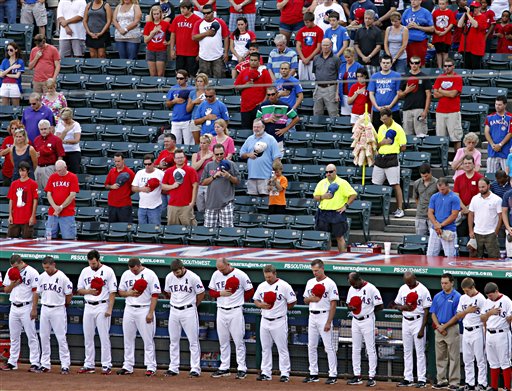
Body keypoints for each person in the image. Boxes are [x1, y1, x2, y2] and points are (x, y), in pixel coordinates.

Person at [208, 257, 254, 379]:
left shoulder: (240, 274)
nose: (221, 271)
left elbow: (250, 291)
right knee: (223, 341)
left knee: (238, 341)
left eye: (222, 269)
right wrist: (220, 293)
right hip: (221, 310)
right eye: (219, 269)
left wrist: (239, 299)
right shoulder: (216, 274)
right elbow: (211, 292)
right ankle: (224, 367)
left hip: (235, 310)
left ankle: (241, 368)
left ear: (228, 264)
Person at [439, 278, 487, 391]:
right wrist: (467, 311)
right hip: (466, 331)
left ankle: (482, 384)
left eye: (467, 290)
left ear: (472, 287)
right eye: (464, 290)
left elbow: (485, 317)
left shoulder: (481, 299)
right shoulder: (463, 298)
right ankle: (469, 383)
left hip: (477, 330)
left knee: (480, 359)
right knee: (467, 359)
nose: (465, 292)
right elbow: (458, 315)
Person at [117, 258, 161, 377]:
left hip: (144, 308)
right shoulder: (126, 274)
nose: (134, 272)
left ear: (139, 265)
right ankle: (128, 366)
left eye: (135, 270)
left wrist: (150, 312)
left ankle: (151, 366)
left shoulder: (150, 274)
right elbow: (120, 291)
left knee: (148, 339)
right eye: (131, 270)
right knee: (128, 338)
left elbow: (155, 294)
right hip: (129, 308)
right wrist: (128, 293)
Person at [76, 250, 117, 375]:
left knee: (104, 336)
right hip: (88, 305)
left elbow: (112, 291)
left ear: (98, 260)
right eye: (90, 263)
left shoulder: (108, 271)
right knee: (88, 337)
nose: (92, 265)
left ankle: (106, 364)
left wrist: (110, 309)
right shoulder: (85, 271)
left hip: (102, 305)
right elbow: (79, 289)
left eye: (94, 263)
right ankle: (89, 364)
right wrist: (88, 291)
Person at [253, 264, 296, 382]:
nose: (268, 279)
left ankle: (285, 373)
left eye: (270, 277)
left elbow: (292, 301)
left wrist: (283, 308)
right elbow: (255, 300)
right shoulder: (262, 286)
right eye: (266, 277)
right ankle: (266, 372)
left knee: (282, 348)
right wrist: (260, 305)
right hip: (265, 320)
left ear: (274, 274)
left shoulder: (284, 285)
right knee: (265, 348)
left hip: (279, 320)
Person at [164, 259, 205, 377]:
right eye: (174, 272)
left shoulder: (193, 277)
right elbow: (168, 292)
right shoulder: (169, 277)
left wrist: (194, 305)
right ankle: (173, 367)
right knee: (173, 340)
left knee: (193, 341)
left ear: (183, 268)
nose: (175, 274)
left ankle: (195, 368)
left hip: (188, 310)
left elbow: (201, 293)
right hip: (174, 310)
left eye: (177, 271)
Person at [0, 255, 41, 372]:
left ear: (21, 262)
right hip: (14, 306)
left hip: (26, 307)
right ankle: (12, 362)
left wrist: (34, 309)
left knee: (31, 335)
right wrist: (14, 283)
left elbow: (35, 292)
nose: (15, 269)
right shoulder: (10, 271)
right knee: (14, 336)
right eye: (13, 267)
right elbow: (6, 290)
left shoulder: (32, 272)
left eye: (16, 266)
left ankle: (35, 362)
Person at [302, 259, 339, 385]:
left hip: (324, 315)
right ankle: (313, 373)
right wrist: (312, 298)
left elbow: (334, 304)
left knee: (329, 347)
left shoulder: (330, 283)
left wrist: (329, 322)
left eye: (317, 270)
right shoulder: (310, 282)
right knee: (311, 346)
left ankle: (333, 374)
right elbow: (305, 300)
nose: (315, 273)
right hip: (312, 315)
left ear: (322, 269)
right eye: (313, 271)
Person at [393, 272, 432, 388]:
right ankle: (408, 378)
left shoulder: (423, 290)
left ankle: (421, 379)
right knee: (407, 351)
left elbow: (426, 311)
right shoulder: (403, 288)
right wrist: (403, 307)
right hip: (405, 320)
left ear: (415, 278)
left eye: (410, 282)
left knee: (420, 352)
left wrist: (422, 328)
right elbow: (396, 305)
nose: (409, 285)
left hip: (418, 320)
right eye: (407, 283)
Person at [346, 272, 383, 387]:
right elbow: (348, 303)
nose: (353, 286)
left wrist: (368, 311)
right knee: (355, 348)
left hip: (367, 320)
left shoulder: (371, 288)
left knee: (370, 348)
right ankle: (357, 375)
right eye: (351, 284)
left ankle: (372, 377)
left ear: (358, 280)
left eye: (354, 284)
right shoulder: (351, 289)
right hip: (355, 320)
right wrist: (351, 307)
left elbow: (380, 305)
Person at [37, 256, 73, 374]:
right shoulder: (41, 277)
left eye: (48, 267)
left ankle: (65, 365)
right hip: (45, 308)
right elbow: (38, 293)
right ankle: (45, 364)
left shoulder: (63, 277)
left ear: (53, 264)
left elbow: (69, 294)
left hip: (58, 308)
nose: (46, 269)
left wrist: (64, 305)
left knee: (61, 337)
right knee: (44, 336)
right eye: (44, 267)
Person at [313, 164, 357, 252]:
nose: (328, 174)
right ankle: (326, 256)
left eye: (330, 172)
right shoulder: (322, 183)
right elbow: (315, 197)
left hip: (337, 213)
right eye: (326, 172)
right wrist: (323, 196)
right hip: (323, 212)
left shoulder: (342, 183)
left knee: (339, 236)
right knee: (326, 236)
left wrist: (346, 206)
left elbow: (353, 194)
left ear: (335, 171)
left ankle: (342, 257)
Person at [372, 108, 407, 218]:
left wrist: (392, 147)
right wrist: (382, 143)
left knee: (395, 184)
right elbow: (377, 145)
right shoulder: (381, 127)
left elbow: (403, 147)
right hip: (380, 158)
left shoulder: (398, 128)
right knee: (375, 184)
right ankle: (377, 208)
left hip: (392, 158)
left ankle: (400, 209)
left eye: (386, 119)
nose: (384, 121)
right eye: (382, 119)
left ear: (391, 117)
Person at [430, 273, 462, 390]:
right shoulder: (437, 296)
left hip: (452, 328)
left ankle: (454, 382)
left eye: (446, 283)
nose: (443, 285)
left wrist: (445, 327)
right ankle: (441, 380)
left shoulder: (458, 296)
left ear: (452, 283)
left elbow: (457, 316)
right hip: (439, 328)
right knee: (440, 356)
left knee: (454, 356)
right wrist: (439, 326)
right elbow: (433, 313)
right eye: (442, 283)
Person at [480, 282, 512, 391]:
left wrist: (510, 318)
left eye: (491, 295)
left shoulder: (507, 300)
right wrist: (490, 312)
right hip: (490, 333)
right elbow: (482, 318)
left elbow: (510, 316)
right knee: (493, 362)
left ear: (496, 291)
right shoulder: (487, 302)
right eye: (488, 296)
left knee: (505, 362)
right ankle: (494, 387)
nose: (489, 297)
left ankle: (507, 387)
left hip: (502, 333)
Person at [200, 144, 240, 227]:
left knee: (227, 231)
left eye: (221, 154)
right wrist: (213, 176)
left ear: (224, 153)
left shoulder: (231, 164)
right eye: (217, 154)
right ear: (213, 154)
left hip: (226, 202)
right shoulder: (209, 165)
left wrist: (229, 176)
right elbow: (203, 182)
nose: (219, 156)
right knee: (209, 230)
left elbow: (238, 181)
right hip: (211, 203)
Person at [240, 118, 283, 196]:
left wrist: (274, 176)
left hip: (266, 177)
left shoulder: (271, 139)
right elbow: (241, 154)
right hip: (251, 176)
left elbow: (277, 158)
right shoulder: (249, 139)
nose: (256, 129)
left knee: (265, 200)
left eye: (258, 127)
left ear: (263, 127)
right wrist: (248, 154)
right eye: (254, 127)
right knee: (252, 201)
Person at [234, 52, 272, 129]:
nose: (253, 62)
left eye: (255, 60)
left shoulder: (264, 72)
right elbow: (236, 87)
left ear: (259, 61)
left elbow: (269, 89)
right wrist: (245, 85)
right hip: (245, 106)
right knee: (245, 129)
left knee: (259, 128)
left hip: (258, 106)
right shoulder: (243, 72)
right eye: (251, 60)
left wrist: (263, 103)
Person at [162, 149, 198, 226]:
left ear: (184, 158)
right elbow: (163, 186)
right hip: (172, 205)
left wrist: (192, 202)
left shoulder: (191, 170)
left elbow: (195, 186)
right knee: (172, 230)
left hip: (186, 205)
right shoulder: (169, 171)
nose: (180, 159)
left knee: (189, 228)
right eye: (177, 158)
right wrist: (172, 186)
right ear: (174, 159)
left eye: (181, 157)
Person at [433, 58, 464, 151]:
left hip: (453, 111)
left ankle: (457, 159)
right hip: (440, 111)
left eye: (449, 66)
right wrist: (448, 93)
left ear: (453, 66)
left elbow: (453, 94)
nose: (447, 68)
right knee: (440, 138)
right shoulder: (440, 77)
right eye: (445, 66)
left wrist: (441, 91)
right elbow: (435, 94)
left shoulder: (457, 78)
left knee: (456, 137)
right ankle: (442, 161)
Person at [192, 4, 230, 78]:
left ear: (213, 12)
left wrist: (225, 53)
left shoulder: (220, 22)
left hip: (218, 55)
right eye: (204, 13)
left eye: (208, 13)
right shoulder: (199, 23)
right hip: (203, 56)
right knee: (205, 80)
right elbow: (194, 37)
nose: (206, 15)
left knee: (219, 78)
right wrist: (206, 33)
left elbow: (226, 37)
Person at [397, 55, 431, 137]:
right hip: (407, 109)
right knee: (407, 136)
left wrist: (425, 111)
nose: (414, 65)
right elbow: (399, 94)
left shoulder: (424, 77)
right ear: (410, 64)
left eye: (416, 63)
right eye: (412, 63)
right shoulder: (405, 77)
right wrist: (406, 91)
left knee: (421, 135)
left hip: (419, 109)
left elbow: (428, 95)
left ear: (420, 64)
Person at [468, 177, 502, 258]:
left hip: (491, 233)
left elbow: (500, 217)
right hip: (477, 233)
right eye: (479, 187)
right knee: (475, 259)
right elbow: (471, 214)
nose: (481, 189)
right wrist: (471, 230)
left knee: (494, 259)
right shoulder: (475, 198)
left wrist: (496, 232)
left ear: (488, 186)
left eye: (483, 187)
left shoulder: (497, 199)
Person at [45, 160, 79, 240]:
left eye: (60, 170)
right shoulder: (53, 177)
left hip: (67, 213)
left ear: (65, 167)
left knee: (69, 238)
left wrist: (61, 207)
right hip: (53, 213)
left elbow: (72, 195)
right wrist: (55, 207)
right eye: (56, 170)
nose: (58, 172)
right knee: (49, 238)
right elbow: (48, 194)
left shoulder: (73, 177)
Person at [426, 178, 461, 257]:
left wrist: (440, 225)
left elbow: (454, 215)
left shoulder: (454, 197)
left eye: (443, 189)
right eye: (439, 189)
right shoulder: (434, 197)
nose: (441, 191)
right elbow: (430, 212)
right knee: (430, 254)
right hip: (435, 229)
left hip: (448, 229)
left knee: (450, 255)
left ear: (448, 186)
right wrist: (435, 224)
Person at [368, 55, 401, 129]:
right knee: (378, 132)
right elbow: (371, 94)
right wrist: (376, 106)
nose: (385, 64)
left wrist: (390, 106)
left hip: (393, 110)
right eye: (383, 62)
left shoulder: (397, 76)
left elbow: (398, 93)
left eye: (387, 63)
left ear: (391, 64)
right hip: (377, 111)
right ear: (380, 63)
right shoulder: (374, 76)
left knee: (394, 132)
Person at [454, 155, 483, 238]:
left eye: (469, 163)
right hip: (463, 213)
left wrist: (469, 209)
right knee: (461, 236)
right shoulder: (458, 178)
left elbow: (480, 195)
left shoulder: (480, 178)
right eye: (465, 163)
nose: (467, 165)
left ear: (474, 164)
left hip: (476, 213)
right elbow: (456, 196)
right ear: (462, 165)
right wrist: (464, 208)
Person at [7, 162, 38, 239]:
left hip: (27, 218)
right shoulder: (14, 184)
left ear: (28, 171)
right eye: (20, 171)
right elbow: (11, 200)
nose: (22, 173)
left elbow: (35, 200)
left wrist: (33, 216)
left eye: (23, 170)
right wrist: (10, 215)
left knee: (27, 241)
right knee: (11, 240)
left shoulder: (33, 184)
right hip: (15, 217)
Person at [170, 0, 201, 76]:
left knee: (191, 74)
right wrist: (172, 49)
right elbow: (173, 35)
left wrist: (199, 53)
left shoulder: (197, 20)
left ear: (190, 9)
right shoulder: (177, 19)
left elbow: (200, 38)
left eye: (184, 8)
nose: (182, 10)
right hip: (180, 52)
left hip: (192, 53)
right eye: (181, 8)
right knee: (180, 74)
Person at [132, 154, 165, 224]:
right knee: (142, 229)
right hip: (142, 206)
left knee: (155, 229)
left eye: (149, 164)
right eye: (145, 164)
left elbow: (166, 186)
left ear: (153, 163)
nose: (147, 166)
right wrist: (142, 189)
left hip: (155, 207)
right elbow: (133, 188)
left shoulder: (160, 173)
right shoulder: (139, 173)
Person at [312, 39, 341, 117]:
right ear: (321, 46)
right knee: (317, 112)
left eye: (327, 45)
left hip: (331, 88)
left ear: (331, 46)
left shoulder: (336, 59)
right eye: (323, 45)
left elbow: (339, 77)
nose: (325, 47)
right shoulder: (316, 58)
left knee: (333, 112)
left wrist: (337, 93)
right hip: (318, 88)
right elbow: (315, 72)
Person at [104, 153, 136, 223]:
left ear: (123, 160)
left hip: (124, 205)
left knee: (125, 226)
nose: (117, 163)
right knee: (112, 226)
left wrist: (126, 194)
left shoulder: (130, 172)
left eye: (118, 161)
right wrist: (111, 186)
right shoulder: (112, 171)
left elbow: (134, 187)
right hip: (112, 204)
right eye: (115, 161)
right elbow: (106, 185)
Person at [34, 119, 66, 189]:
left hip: (50, 168)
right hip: (38, 168)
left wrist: (58, 169)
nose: (43, 131)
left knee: (49, 190)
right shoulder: (36, 140)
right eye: (41, 129)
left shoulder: (56, 140)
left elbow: (60, 156)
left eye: (45, 129)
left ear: (49, 128)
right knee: (38, 191)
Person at [484, 95, 512, 174]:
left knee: (508, 175)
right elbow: (486, 132)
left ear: (505, 105)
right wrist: (493, 144)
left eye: (500, 105)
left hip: (506, 151)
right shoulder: (490, 117)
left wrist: (500, 144)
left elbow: (510, 133)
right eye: (496, 104)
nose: (497, 106)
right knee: (490, 175)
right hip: (492, 151)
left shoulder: (510, 117)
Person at [401, 0, 434, 65]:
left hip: (420, 42)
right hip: (407, 42)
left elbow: (432, 29)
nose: (413, 2)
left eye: (415, 0)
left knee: (420, 63)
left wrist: (417, 27)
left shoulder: (425, 12)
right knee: (408, 63)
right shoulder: (406, 12)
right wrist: (407, 27)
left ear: (420, 1)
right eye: (412, 0)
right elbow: (401, 28)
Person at [166, 70, 194, 145]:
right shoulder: (173, 88)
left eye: (181, 78)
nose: (179, 80)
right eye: (177, 78)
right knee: (174, 144)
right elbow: (167, 104)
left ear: (186, 78)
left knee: (189, 144)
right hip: (175, 120)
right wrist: (174, 101)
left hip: (187, 120)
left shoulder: (192, 89)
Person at [458, 2, 488, 69]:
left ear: (480, 8)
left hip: (476, 47)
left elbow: (476, 25)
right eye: (473, 7)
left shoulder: (483, 17)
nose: (474, 9)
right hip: (466, 46)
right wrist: (465, 13)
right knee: (466, 67)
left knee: (475, 68)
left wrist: (468, 15)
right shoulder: (469, 15)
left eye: (476, 7)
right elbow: (459, 25)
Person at [144, 5, 171, 76]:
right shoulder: (148, 24)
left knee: (160, 74)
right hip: (150, 50)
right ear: (152, 15)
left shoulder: (166, 24)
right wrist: (153, 32)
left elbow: (174, 34)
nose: (156, 16)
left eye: (157, 14)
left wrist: (169, 42)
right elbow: (145, 40)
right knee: (152, 74)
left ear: (161, 14)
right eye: (154, 14)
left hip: (161, 50)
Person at [295, 12, 324, 81]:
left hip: (314, 59)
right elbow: (298, 46)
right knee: (302, 80)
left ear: (312, 21)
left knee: (313, 79)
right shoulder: (301, 31)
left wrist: (308, 58)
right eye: (305, 22)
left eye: (307, 22)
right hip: (302, 60)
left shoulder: (319, 31)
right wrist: (303, 58)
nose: (306, 24)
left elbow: (318, 47)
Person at [354, 10, 383, 74]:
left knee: (372, 81)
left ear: (373, 19)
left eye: (369, 18)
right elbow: (356, 45)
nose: (367, 20)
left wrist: (369, 57)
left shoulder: (378, 31)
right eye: (365, 18)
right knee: (362, 82)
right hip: (361, 61)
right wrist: (363, 57)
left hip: (374, 62)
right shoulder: (359, 30)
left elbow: (378, 47)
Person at [413, 163, 438, 236]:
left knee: (433, 237)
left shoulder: (437, 183)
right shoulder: (417, 183)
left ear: (430, 172)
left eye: (426, 176)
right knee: (420, 237)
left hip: (433, 215)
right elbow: (416, 197)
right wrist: (419, 207)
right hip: (420, 214)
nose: (424, 178)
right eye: (423, 176)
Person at [54, 108, 82, 175]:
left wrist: (64, 141)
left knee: (73, 172)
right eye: (64, 119)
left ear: (70, 117)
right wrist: (65, 131)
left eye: (66, 119)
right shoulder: (60, 125)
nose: (65, 121)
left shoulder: (76, 125)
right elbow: (57, 140)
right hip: (63, 152)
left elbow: (76, 140)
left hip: (74, 152)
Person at [338, 48, 364, 117]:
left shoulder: (358, 66)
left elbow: (363, 81)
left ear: (353, 56)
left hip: (355, 95)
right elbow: (339, 80)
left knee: (355, 116)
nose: (347, 59)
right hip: (343, 95)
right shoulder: (342, 66)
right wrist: (336, 94)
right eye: (345, 57)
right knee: (345, 116)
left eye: (349, 57)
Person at [192, 134, 213, 212]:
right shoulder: (195, 155)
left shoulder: (212, 155)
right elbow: (194, 168)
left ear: (208, 144)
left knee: (209, 207)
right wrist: (204, 158)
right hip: (198, 184)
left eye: (204, 143)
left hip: (209, 184)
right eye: (201, 143)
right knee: (200, 207)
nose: (202, 145)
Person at [432, 0, 456, 69]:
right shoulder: (435, 12)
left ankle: (445, 67)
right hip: (437, 36)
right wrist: (436, 31)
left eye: (443, 4)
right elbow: (432, 23)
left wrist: (445, 32)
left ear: (447, 4)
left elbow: (452, 23)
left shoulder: (450, 12)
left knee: (445, 52)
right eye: (440, 4)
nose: (441, 5)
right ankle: (439, 68)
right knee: (438, 52)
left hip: (446, 36)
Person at [187, 73, 209, 144]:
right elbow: (188, 109)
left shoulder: (209, 93)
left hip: (206, 120)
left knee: (206, 142)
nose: (199, 83)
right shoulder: (192, 93)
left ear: (205, 82)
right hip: (195, 119)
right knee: (197, 142)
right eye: (198, 81)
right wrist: (194, 102)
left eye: (201, 81)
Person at [0, 41, 24, 107]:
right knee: (5, 107)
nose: (9, 51)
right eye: (7, 50)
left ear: (16, 50)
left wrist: (6, 74)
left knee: (16, 107)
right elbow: (1, 75)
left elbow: (17, 76)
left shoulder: (20, 61)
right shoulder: (5, 61)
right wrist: (11, 68)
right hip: (4, 84)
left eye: (11, 50)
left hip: (15, 85)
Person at [0, 119, 21, 186]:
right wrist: (11, 147)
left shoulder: (25, 139)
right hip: (7, 172)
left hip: (19, 172)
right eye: (12, 128)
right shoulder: (7, 139)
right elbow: (1, 153)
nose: (14, 130)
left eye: (16, 128)